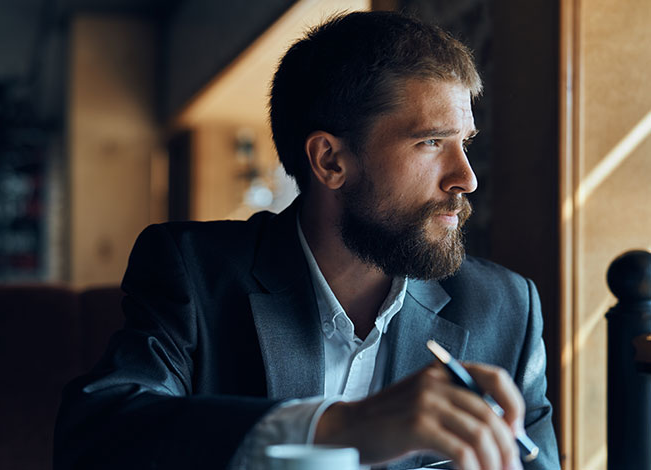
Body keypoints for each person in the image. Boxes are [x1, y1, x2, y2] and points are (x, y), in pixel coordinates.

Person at [54, 11, 560, 470]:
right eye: (431, 142)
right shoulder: (196, 272)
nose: (465, 178)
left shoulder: (506, 311)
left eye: (464, 143)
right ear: (330, 161)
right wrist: (344, 428)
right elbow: (98, 436)